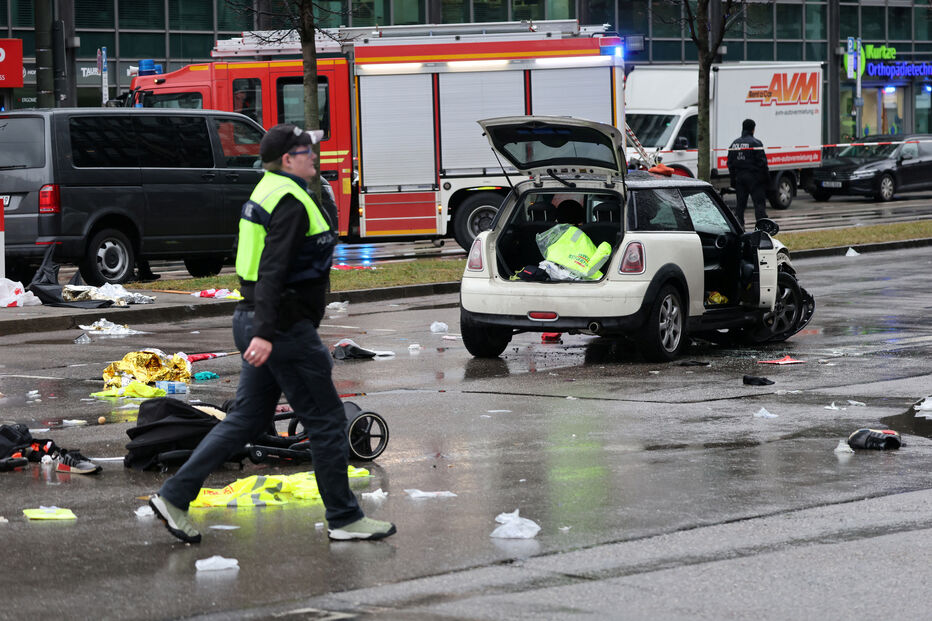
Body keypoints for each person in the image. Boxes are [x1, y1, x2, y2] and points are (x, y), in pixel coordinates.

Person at [148, 124, 396, 543]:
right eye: (306, 151)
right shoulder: (289, 201)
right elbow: (272, 270)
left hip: (257, 322)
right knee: (327, 420)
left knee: (249, 417)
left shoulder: (268, 191)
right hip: (281, 329)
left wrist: (260, 329)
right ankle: (344, 518)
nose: (314, 157)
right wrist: (266, 332)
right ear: (287, 159)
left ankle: (173, 496)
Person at [727, 118, 770, 225]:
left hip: (740, 178)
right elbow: (763, 164)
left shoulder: (734, 144)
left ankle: (739, 227)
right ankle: (762, 228)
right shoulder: (756, 143)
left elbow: (730, 163)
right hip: (754, 179)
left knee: (740, 206)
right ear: (753, 129)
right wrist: (766, 179)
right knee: (759, 205)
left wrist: (733, 180)